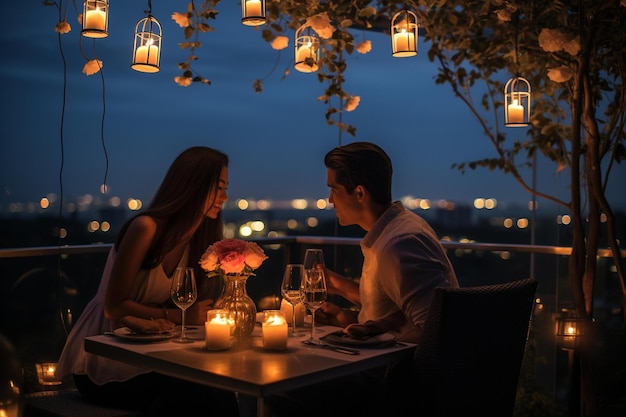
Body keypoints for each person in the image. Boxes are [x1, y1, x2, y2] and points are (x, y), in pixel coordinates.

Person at [267, 141, 459, 417]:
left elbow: (435, 328)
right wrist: (348, 306)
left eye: (333, 189)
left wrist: (369, 331)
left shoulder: (400, 243)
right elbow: (399, 304)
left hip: (394, 387)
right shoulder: (394, 230)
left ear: (359, 193)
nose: (330, 200)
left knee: (275, 387)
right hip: (382, 373)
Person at [55, 146, 240, 417]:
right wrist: (178, 317)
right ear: (194, 185)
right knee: (200, 392)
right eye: (219, 187)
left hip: (151, 353)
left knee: (218, 383)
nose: (224, 197)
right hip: (105, 357)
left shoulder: (194, 240)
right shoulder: (146, 228)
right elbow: (113, 307)